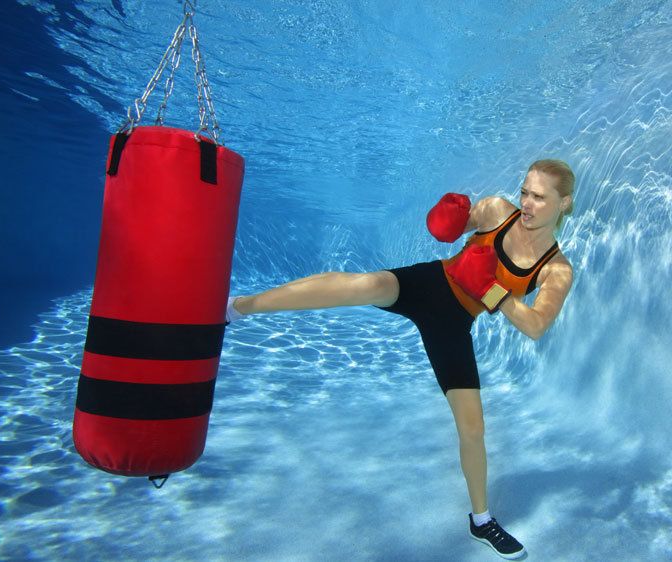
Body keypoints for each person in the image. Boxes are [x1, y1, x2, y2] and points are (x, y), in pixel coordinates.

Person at [225, 159, 575, 560]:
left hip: (454, 324)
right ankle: (237, 307)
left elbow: (534, 326)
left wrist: (492, 291)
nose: (527, 203)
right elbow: (451, 229)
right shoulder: (498, 210)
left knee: (473, 428)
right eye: (525, 192)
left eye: (540, 197)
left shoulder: (557, 270)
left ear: (563, 203)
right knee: (365, 284)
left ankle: (481, 521)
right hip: (428, 284)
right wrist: (449, 219)